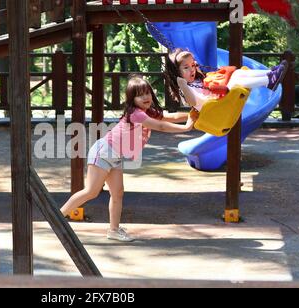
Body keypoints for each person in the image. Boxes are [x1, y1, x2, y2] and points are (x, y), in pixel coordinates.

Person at [60, 76, 197, 242]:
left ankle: (114, 230)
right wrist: (187, 127)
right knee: (91, 191)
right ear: (132, 100)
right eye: (140, 95)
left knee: (117, 193)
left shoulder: (148, 112)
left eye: (147, 93)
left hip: (115, 156)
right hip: (103, 153)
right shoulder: (136, 114)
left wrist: (194, 112)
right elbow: (160, 126)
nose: (146, 97)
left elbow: (170, 117)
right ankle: (57, 219)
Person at [166, 48, 289, 111]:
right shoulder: (184, 90)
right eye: (186, 67)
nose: (191, 69)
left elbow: (204, 82)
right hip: (216, 108)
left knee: (237, 73)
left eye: (192, 65)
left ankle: (269, 74)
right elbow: (192, 102)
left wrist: (197, 70)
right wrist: (182, 85)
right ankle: (269, 80)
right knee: (236, 82)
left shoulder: (195, 80)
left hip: (220, 99)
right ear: (176, 72)